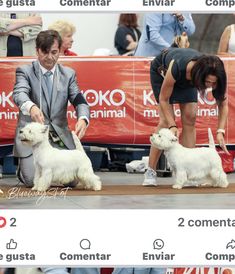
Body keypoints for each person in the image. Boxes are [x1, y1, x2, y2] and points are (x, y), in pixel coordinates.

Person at [13, 30, 89, 187]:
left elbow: (78, 99)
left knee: (73, 181)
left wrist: (83, 118)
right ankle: (23, 168)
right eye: (45, 52)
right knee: (30, 180)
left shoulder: (68, 74)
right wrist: (31, 107)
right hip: (33, 141)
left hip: (59, 138)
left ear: (60, 50)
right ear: (37, 51)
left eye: (54, 52)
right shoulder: (25, 71)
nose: (49, 57)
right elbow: (19, 93)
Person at [143, 47, 228, 186]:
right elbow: (164, 100)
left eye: (214, 83)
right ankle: (150, 171)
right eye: (207, 82)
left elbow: (223, 105)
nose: (210, 86)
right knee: (165, 122)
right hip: (163, 73)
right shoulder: (178, 67)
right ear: (201, 76)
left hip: (190, 79)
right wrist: (172, 125)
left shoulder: (213, 72)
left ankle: (188, 174)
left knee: (190, 118)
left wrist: (220, 131)